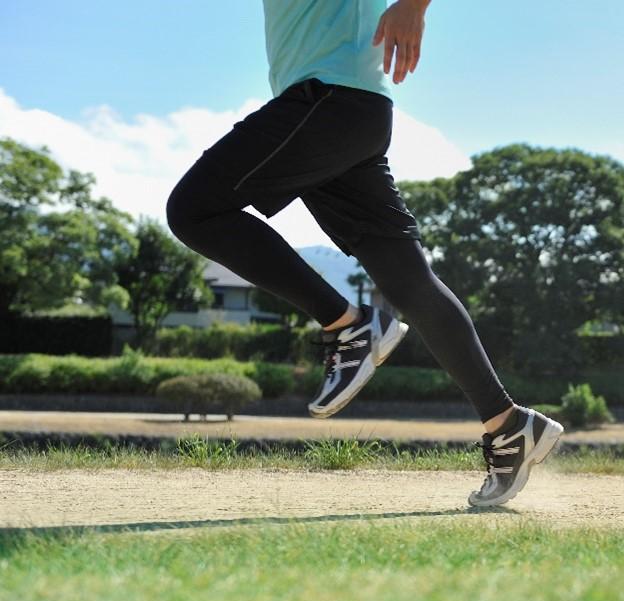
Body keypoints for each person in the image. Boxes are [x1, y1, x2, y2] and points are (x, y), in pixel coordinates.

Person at [166, 0, 562, 507]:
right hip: (344, 112)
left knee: (195, 209)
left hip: (327, 100)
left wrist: (415, 5)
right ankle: (510, 426)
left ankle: (346, 324)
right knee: (409, 283)